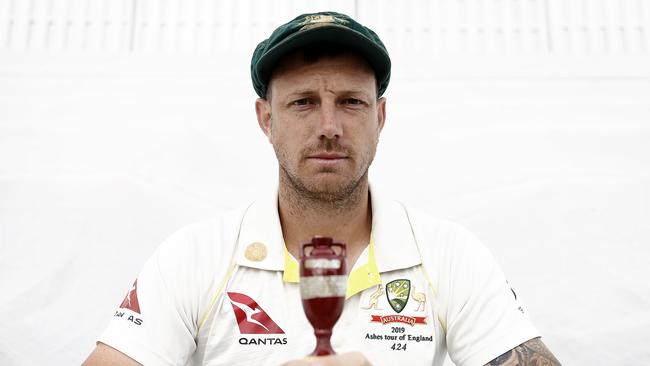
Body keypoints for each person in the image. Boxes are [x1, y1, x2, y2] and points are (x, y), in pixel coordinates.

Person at [83, 11, 560, 366]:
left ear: (380, 116)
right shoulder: (194, 255)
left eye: (351, 102)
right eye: (304, 102)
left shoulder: (450, 254)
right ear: (266, 119)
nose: (329, 126)